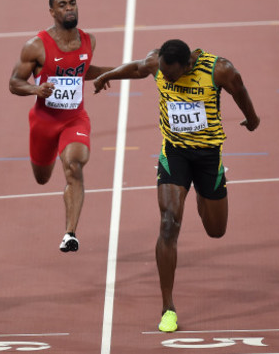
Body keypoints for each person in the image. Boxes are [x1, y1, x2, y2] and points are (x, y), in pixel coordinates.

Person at [94, 39, 260, 332]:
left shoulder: (218, 70)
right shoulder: (157, 64)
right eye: (163, 74)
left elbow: (241, 91)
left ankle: (199, 196)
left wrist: (252, 119)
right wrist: (108, 75)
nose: (166, 78)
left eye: (171, 75)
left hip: (208, 157)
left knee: (216, 231)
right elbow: (136, 69)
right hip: (175, 153)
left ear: (188, 65)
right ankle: (168, 307)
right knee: (169, 223)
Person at [9, 0, 113, 252]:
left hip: (74, 119)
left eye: (73, 3)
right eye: (63, 5)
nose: (70, 8)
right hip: (43, 122)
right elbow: (14, 83)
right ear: (53, 12)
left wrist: (115, 72)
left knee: (74, 166)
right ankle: (54, 156)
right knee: (42, 178)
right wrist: (35, 89)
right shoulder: (36, 45)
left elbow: (82, 71)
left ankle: (70, 234)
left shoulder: (89, 41)